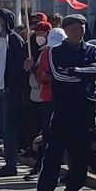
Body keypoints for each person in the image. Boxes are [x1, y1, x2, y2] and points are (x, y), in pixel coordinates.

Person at [33, 14, 96, 191]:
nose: (77, 32)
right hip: (62, 110)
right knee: (52, 155)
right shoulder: (55, 52)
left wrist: (74, 71)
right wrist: (81, 73)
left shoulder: (92, 49)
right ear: (66, 31)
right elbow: (58, 74)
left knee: (80, 157)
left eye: (80, 28)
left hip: (85, 110)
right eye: (73, 28)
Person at [0, 8, 25, 177]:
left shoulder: (14, 40)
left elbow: (18, 67)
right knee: (3, 129)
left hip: (10, 90)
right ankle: (7, 162)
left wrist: (12, 85)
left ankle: (11, 165)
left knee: (9, 129)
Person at [27, 27, 66, 181]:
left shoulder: (68, 54)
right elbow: (40, 76)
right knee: (48, 136)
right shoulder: (45, 54)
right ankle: (44, 169)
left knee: (65, 136)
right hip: (48, 99)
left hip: (65, 100)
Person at [23, 21, 52, 178]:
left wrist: (33, 67)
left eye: (41, 33)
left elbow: (43, 76)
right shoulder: (40, 50)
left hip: (47, 98)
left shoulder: (49, 53)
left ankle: (41, 166)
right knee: (40, 130)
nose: (38, 36)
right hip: (37, 94)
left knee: (46, 133)